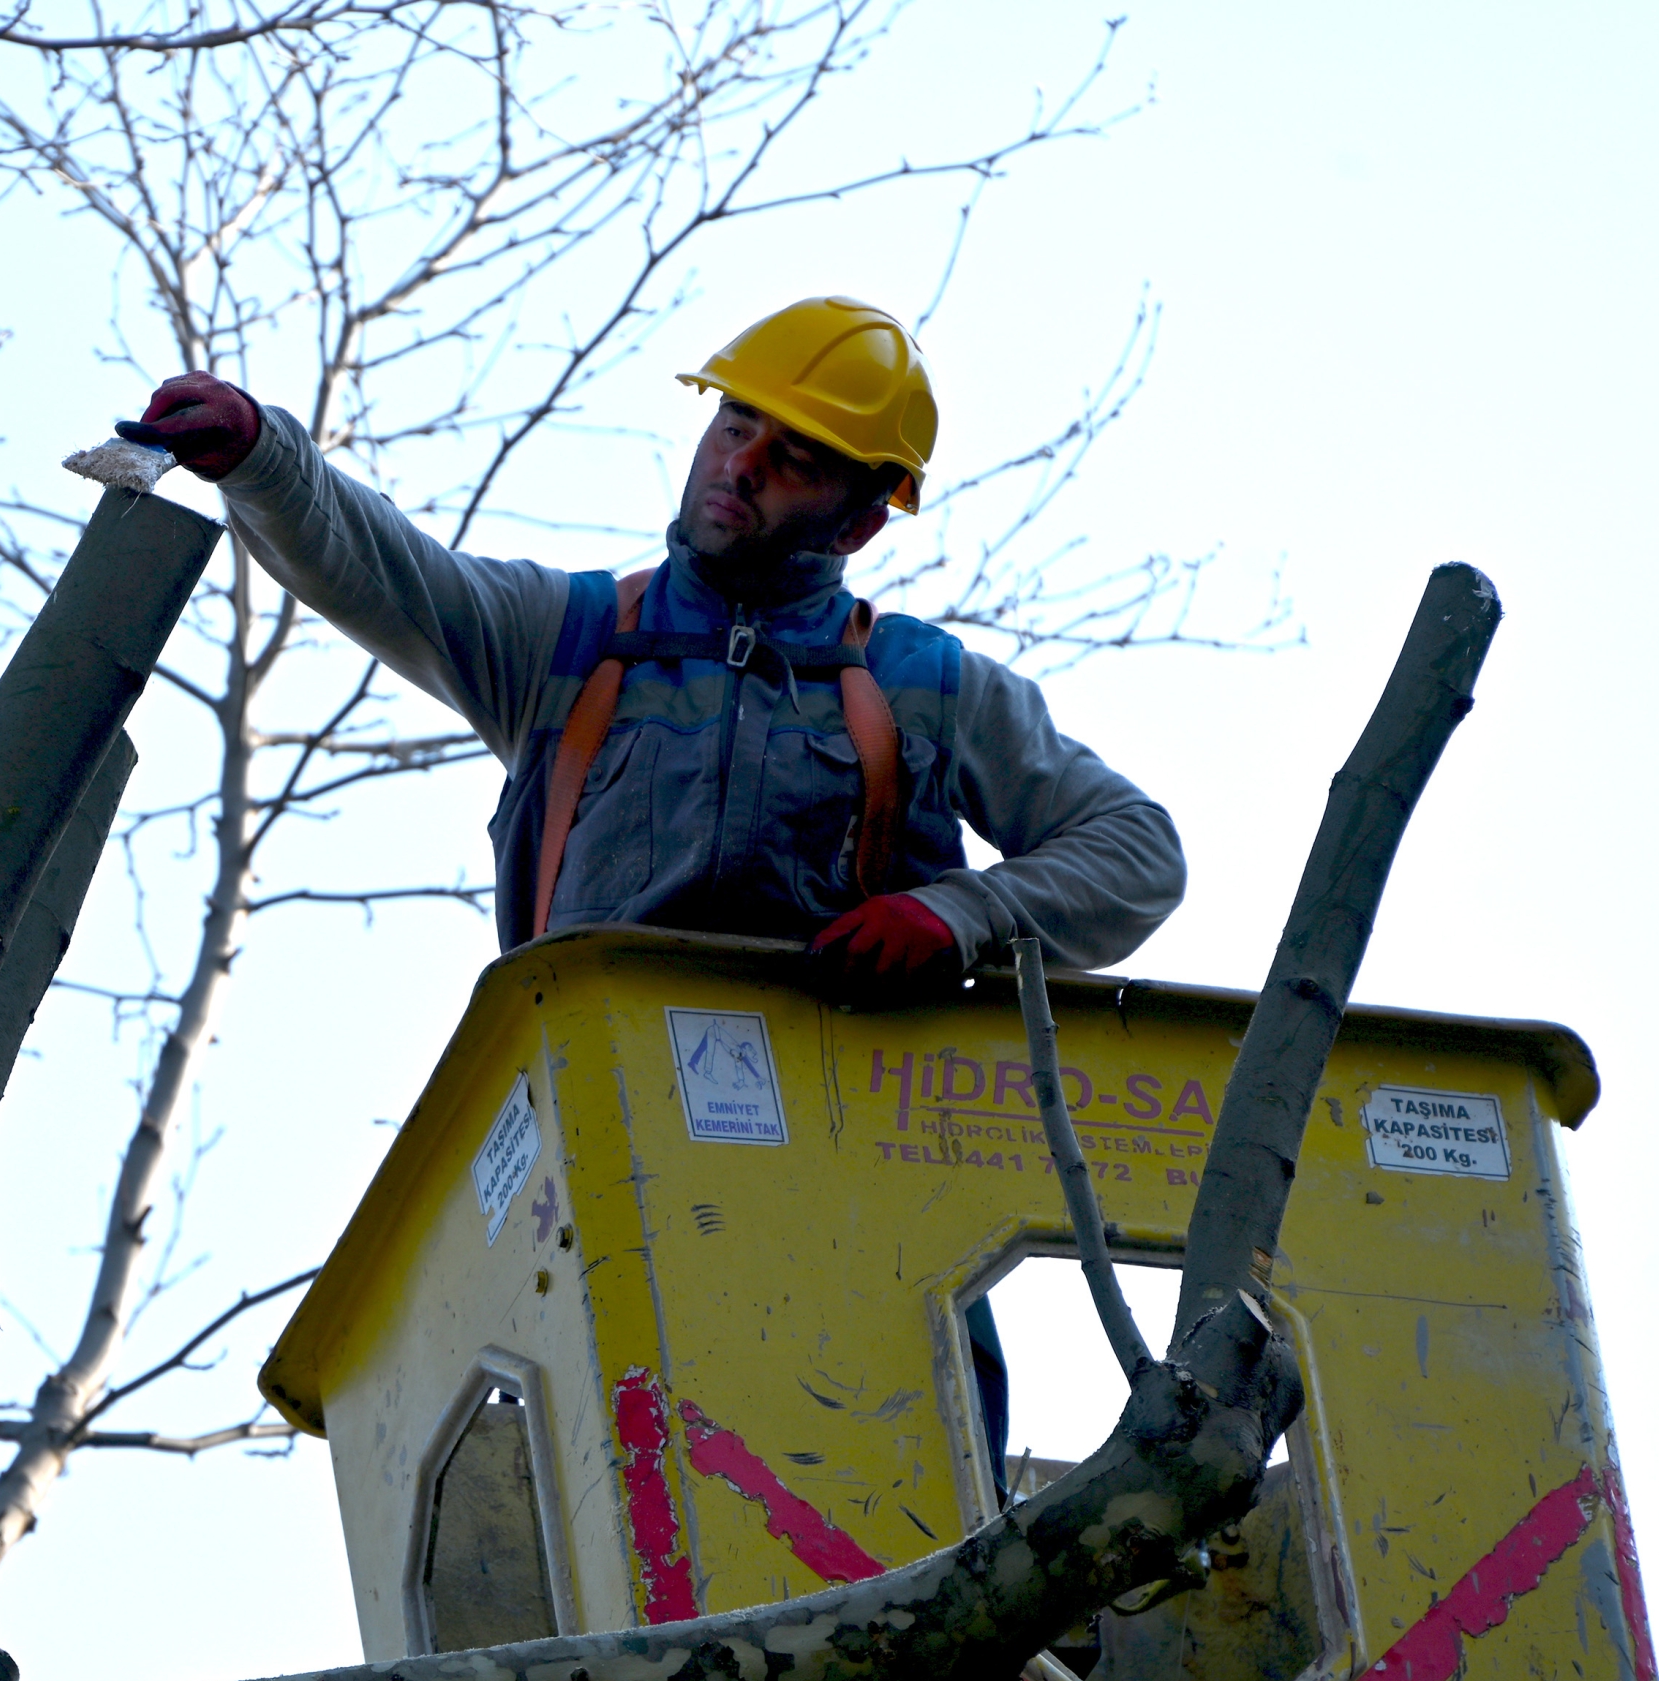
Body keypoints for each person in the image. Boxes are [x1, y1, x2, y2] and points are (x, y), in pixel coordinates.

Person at [123, 297, 1188, 1497]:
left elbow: (1136, 850)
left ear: (864, 511)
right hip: (612, 1172)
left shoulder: (919, 684)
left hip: (861, 1184)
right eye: (735, 422)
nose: (742, 464)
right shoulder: (570, 642)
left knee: (913, 1479)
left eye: (794, 455)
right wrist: (265, 459)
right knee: (619, 1481)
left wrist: (960, 916)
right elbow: (393, 575)